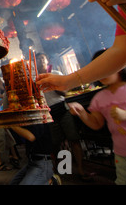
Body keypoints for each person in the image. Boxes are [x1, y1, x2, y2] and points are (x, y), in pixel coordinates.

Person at [68, 49, 126, 185]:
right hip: (122, 153)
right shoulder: (99, 98)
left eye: (105, 68)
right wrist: (82, 112)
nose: (101, 72)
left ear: (120, 66)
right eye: (98, 69)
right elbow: (96, 124)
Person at [36, 53, 91, 181]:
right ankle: (62, 168)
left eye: (42, 59)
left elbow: (65, 91)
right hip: (48, 112)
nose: (40, 61)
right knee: (56, 143)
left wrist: (54, 85)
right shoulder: (35, 79)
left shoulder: (56, 73)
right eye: (37, 59)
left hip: (62, 108)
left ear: (47, 60)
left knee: (74, 139)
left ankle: (81, 169)